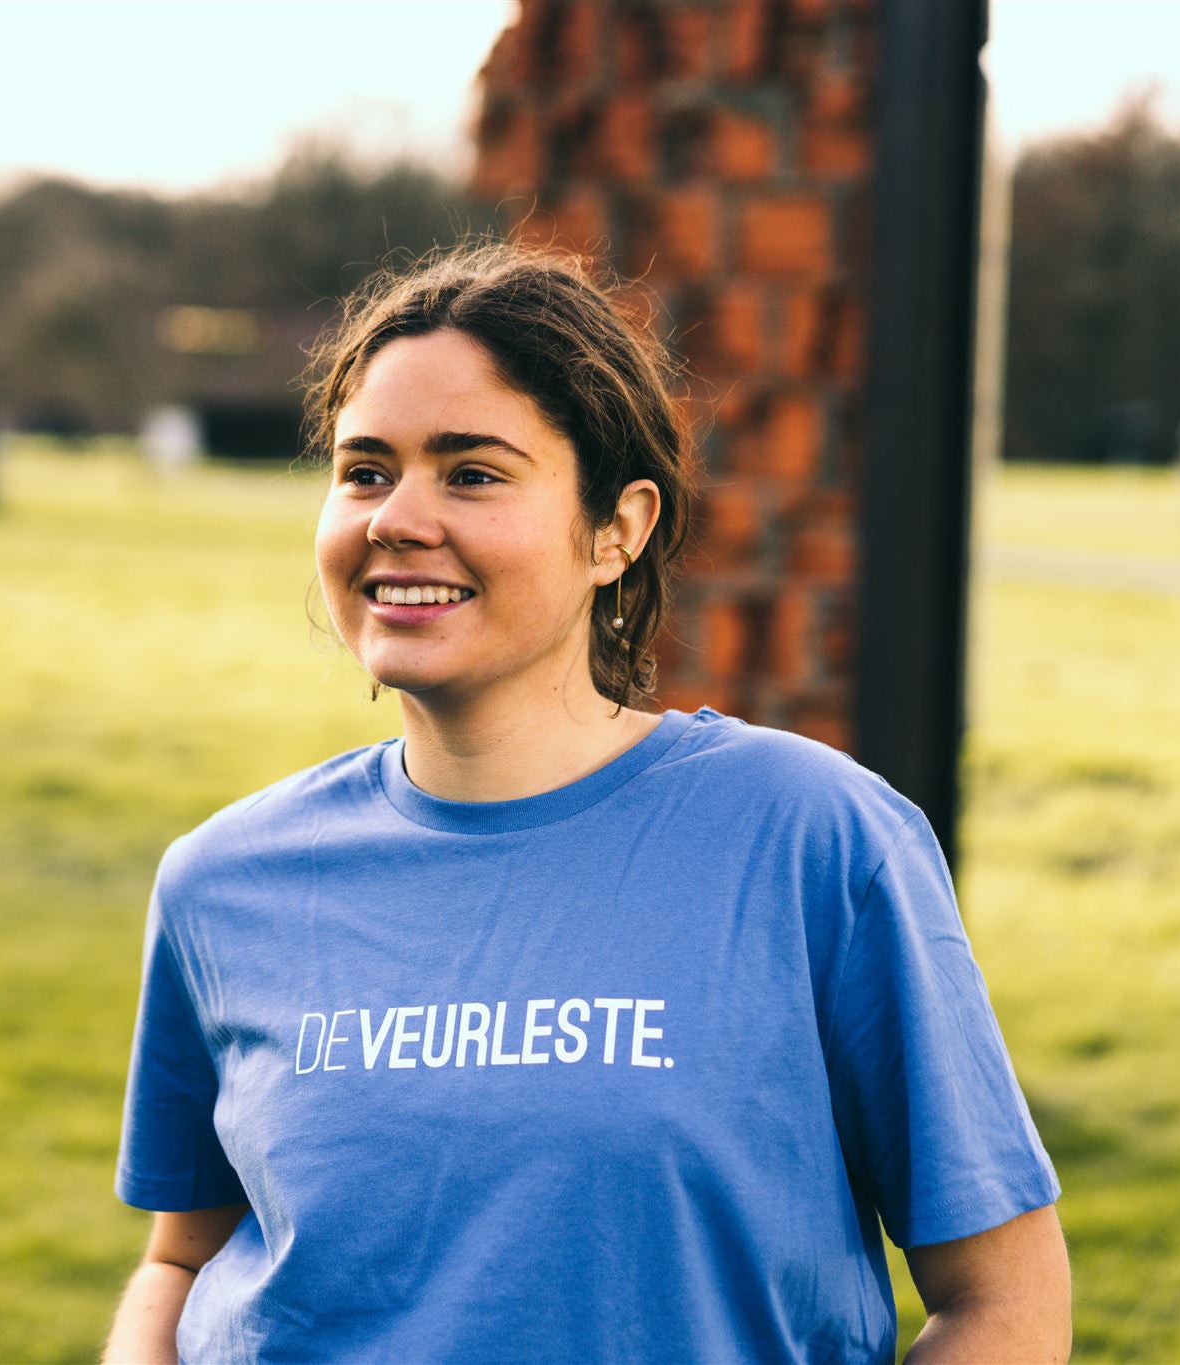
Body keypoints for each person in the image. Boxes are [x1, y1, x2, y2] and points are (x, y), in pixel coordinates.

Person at [102, 241, 1070, 1365]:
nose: (396, 517)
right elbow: (180, 1262)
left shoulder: (812, 840)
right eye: (366, 470)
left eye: (471, 472)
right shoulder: (225, 879)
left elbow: (1004, 1298)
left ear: (619, 528)